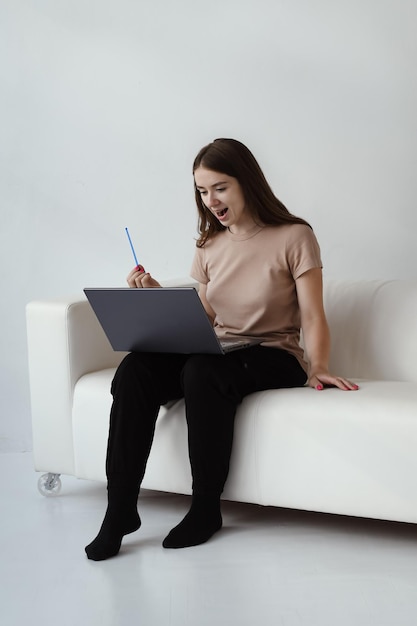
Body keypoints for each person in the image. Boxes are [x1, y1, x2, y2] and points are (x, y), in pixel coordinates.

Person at [85, 138, 358, 561]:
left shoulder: (294, 236)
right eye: (201, 190)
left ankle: (206, 508)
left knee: (201, 372)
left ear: (247, 182)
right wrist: (158, 297)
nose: (210, 200)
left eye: (220, 187)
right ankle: (120, 510)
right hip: (222, 349)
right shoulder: (208, 244)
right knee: (136, 369)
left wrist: (318, 365)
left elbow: (313, 315)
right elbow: (208, 313)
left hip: (274, 354)